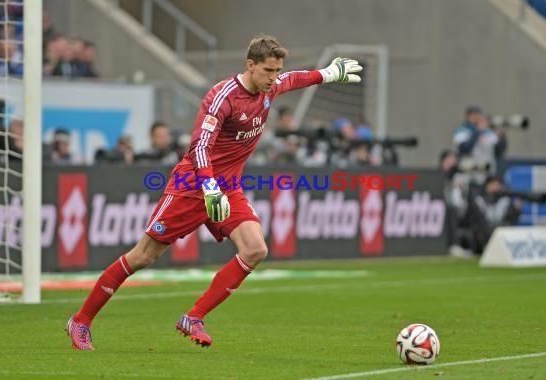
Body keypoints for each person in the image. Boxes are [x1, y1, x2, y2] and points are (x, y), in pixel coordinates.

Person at [66, 34, 362, 350]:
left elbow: (296, 79)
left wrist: (329, 74)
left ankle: (194, 316)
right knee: (144, 255)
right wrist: (209, 188)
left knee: (255, 249)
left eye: (276, 71)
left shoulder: (271, 86)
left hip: (228, 188)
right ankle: (81, 321)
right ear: (250, 65)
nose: (273, 79)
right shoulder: (223, 97)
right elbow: (200, 147)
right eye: (268, 71)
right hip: (192, 185)